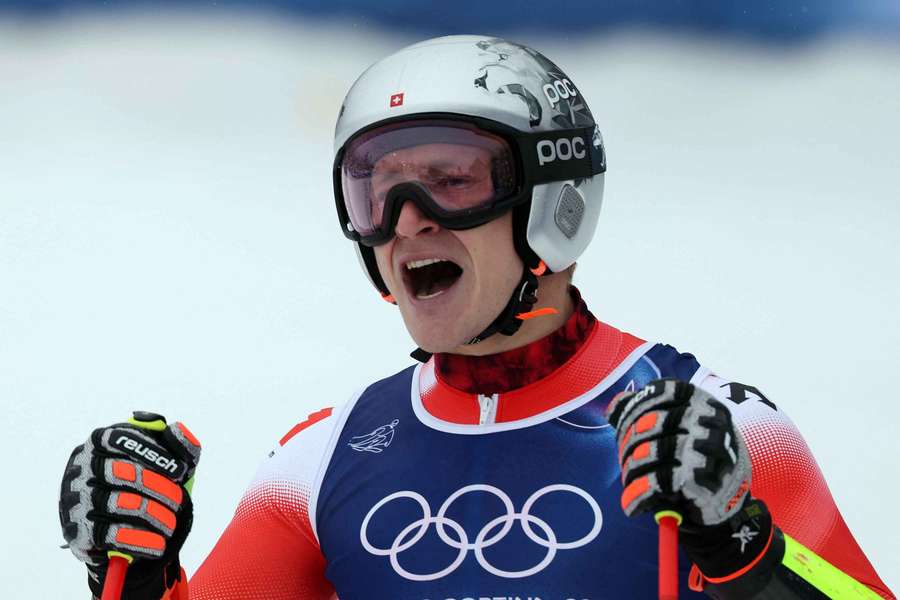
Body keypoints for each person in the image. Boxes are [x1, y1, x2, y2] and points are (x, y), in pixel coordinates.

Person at [60, 35, 894, 600]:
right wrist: (134, 569)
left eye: (452, 180)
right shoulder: (319, 460)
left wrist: (741, 544)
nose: (408, 219)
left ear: (553, 204)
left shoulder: (714, 432)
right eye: (376, 190)